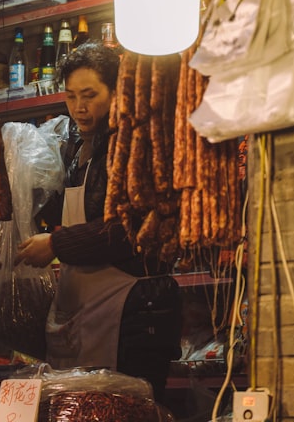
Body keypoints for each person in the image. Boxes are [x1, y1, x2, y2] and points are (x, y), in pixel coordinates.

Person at [15, 42, 181, 402]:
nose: (79, 107)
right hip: (88, 310)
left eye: (90, 95)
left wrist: (57, 244)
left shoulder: (134, 144)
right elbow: (79, 213)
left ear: (116, 90)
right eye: (71, 96)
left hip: (135, 309)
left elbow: (129, 230)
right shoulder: (77, 147)